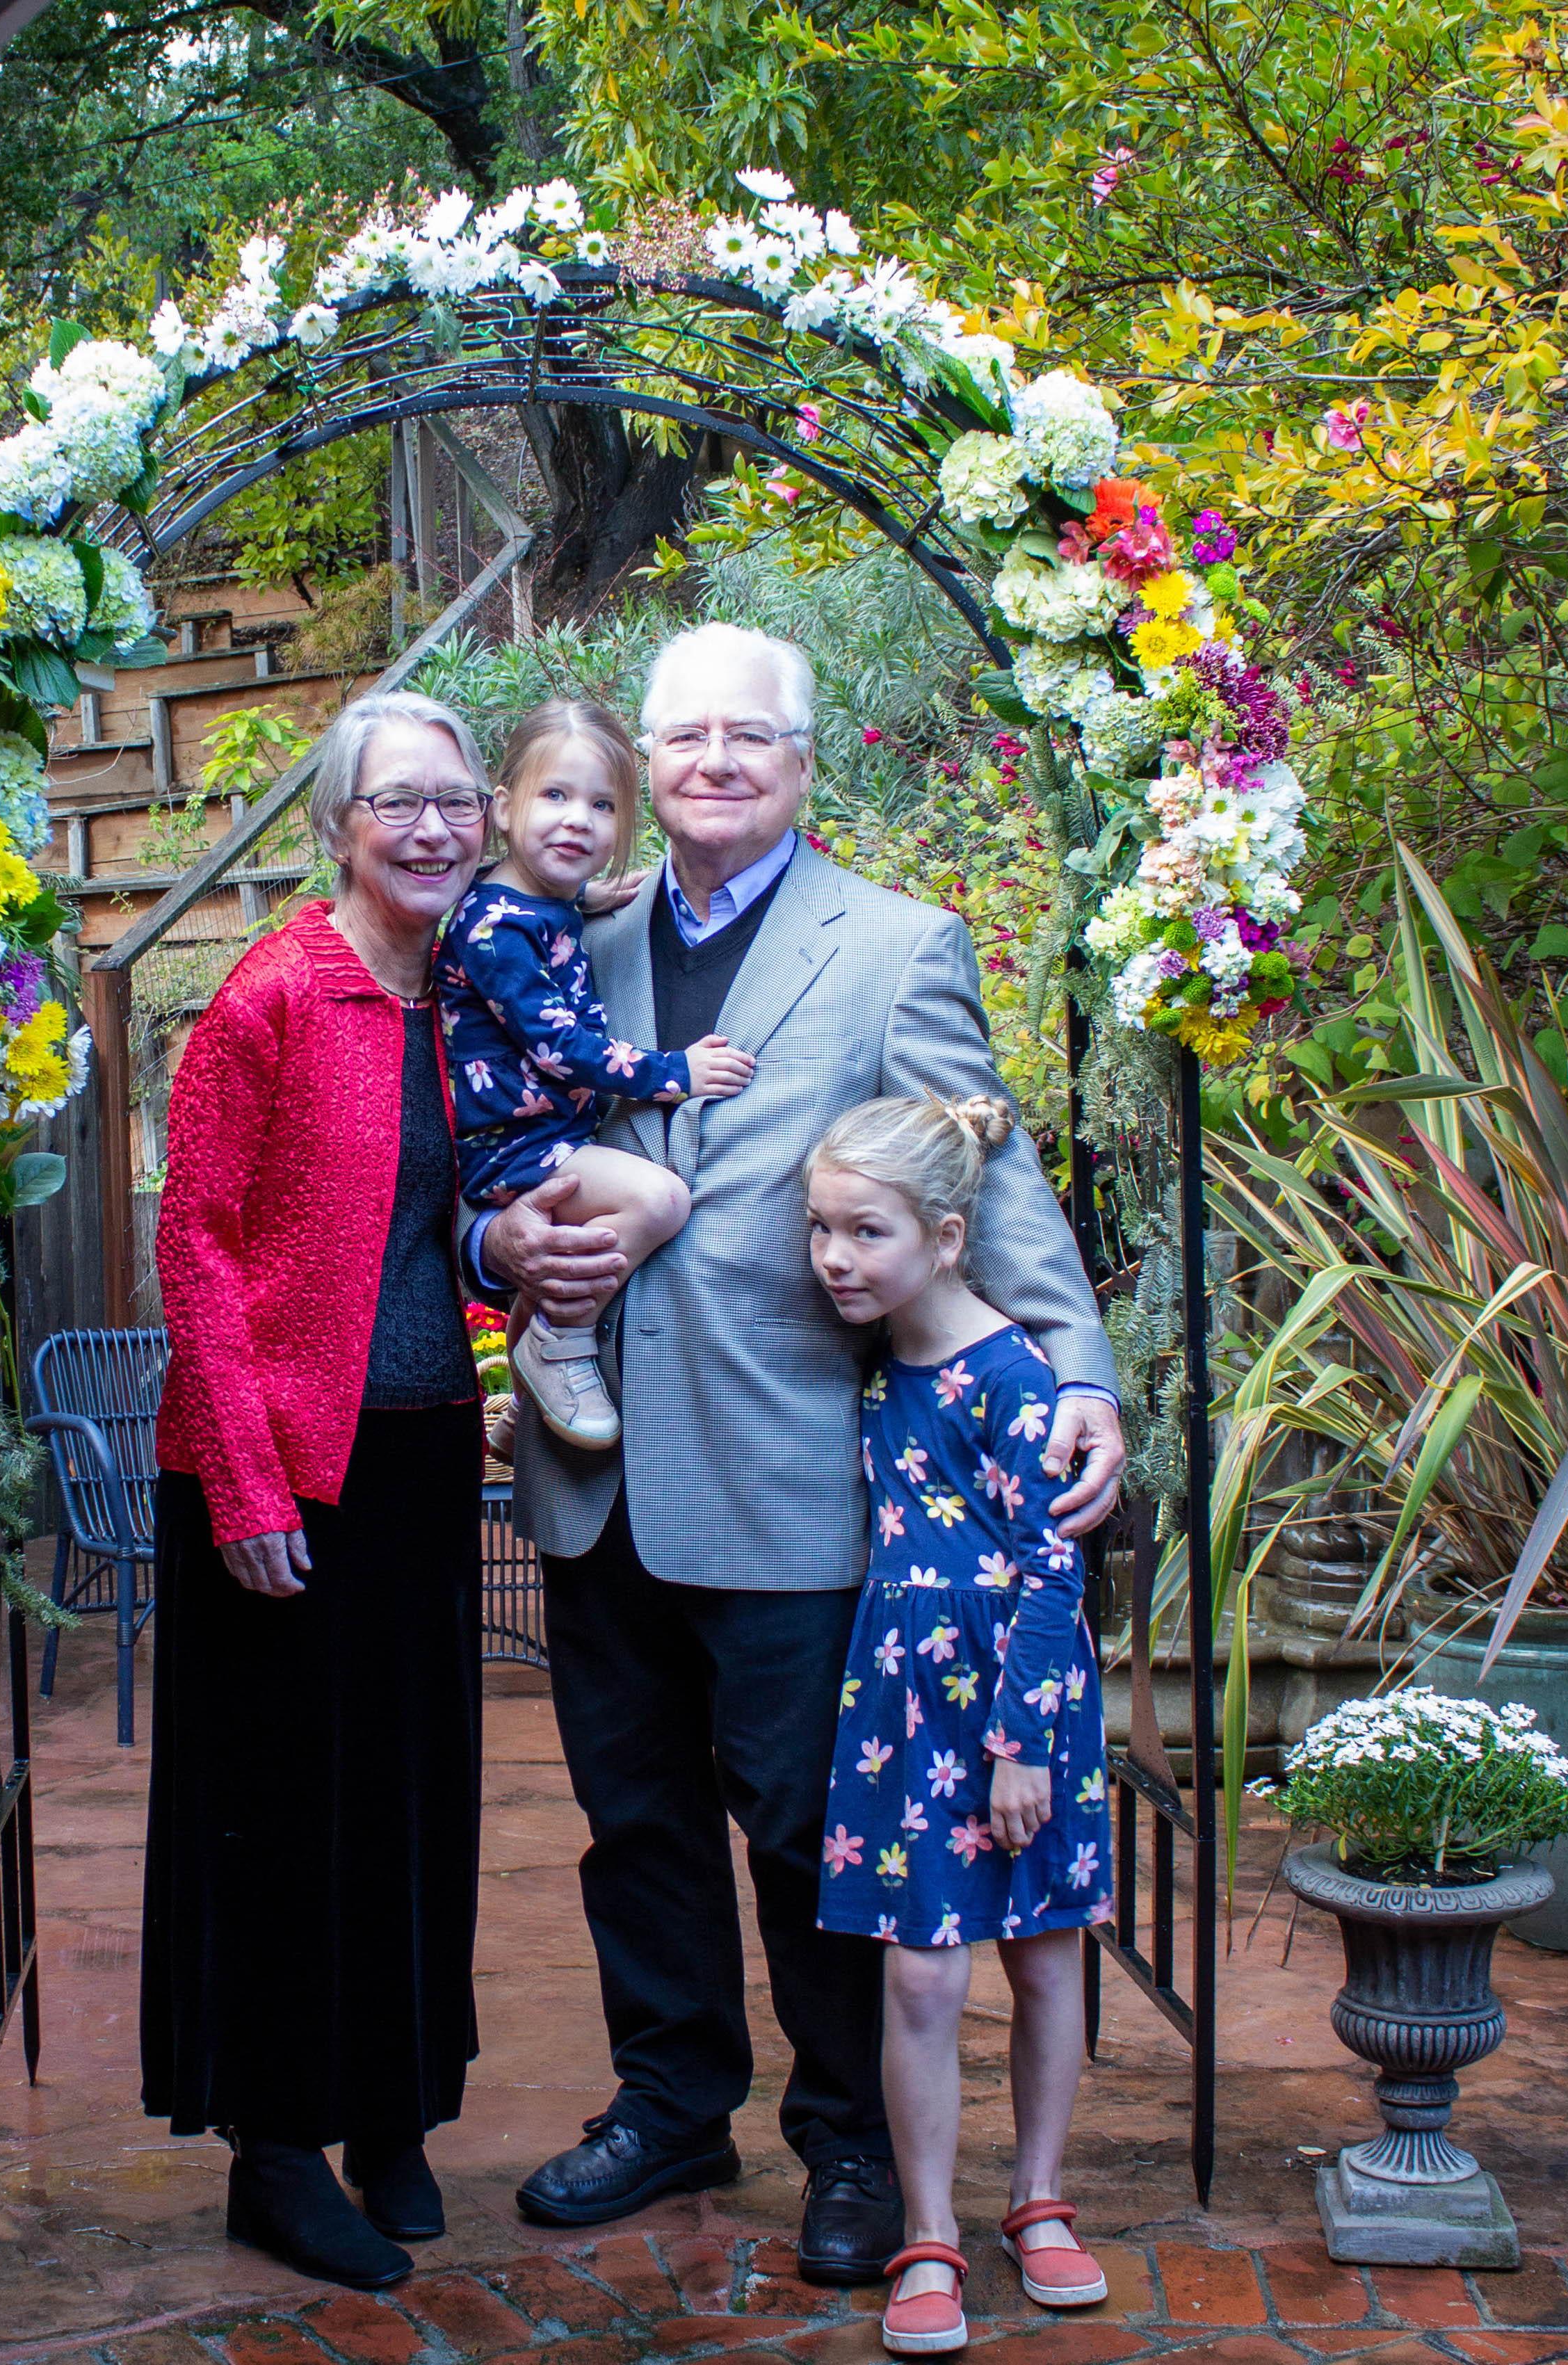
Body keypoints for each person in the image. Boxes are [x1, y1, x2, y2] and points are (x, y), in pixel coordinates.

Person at [469, 622, 1126, 2285]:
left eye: (745, 738)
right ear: (643, 754)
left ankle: (846, 2141)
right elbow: (487, 1136)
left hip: (790, 1475)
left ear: (801, 760)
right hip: (591, 1458)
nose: (708, 762)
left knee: (805, 1826)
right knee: (633, 1818)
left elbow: (984, 1172)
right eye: (680, 734)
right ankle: (669, 2099)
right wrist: (496, 1250)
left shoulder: (895, 945)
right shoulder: (565, 931)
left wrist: (1079, 1370)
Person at [141, 689, 496, 2293]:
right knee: (285, 1814)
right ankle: (273, 2149)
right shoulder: (273, 992)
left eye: (454, 798)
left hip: (418, 1454)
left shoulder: (471, 994)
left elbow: (470, 1218)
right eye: (396, 800)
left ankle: (393, 2112)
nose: (431, 826)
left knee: (417, 1792)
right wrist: (241, 1467)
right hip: (282, 1467)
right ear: (336, 823)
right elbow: (196, 1235)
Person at [805, 1096, 1113, 2352]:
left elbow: (1055, 1571)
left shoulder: (1014, 1377)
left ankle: (1037, 2197)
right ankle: (925, 2227)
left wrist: (1022, 1743)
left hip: (1015, 1713)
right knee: (921, 1971)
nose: (833, 1256)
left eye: (864, 1231)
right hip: (901, 1713)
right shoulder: (883, 1370)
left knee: (1045, 1955)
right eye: (821, 1228)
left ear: (942, 1235)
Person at [437, 698, 754, 1447]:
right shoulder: (493, 927)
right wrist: (673, 1071)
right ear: (503, 806)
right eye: (555, 795)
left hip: (543, 1133)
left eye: (601, 803)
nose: (577, 818)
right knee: (660, 1200)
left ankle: (520, 1403)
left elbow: (544, 908)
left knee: (584, 1244)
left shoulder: (533, 902)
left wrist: (585, 897)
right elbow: (560, 1047)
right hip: (515, 1147)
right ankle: (558, 1336)